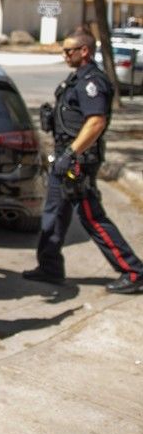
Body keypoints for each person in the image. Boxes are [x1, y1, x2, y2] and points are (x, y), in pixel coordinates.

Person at [22, 29, 143, 293]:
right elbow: (74, 117)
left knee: (91, 217)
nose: (64, 55)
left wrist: (71, 153)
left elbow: (96, 121)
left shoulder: (92, 82)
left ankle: (133, 271)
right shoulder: (75, 79)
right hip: (64, 158)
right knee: (53, 214)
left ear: (84, 51)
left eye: (68, 51)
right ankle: (50, 267)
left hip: (78, 161)